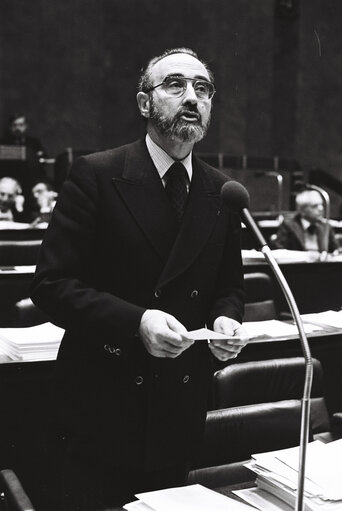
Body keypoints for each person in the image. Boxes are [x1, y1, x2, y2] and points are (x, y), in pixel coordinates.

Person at [30, 47, 248, 510]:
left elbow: (229, 286)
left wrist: (226, 321)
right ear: (145, 103)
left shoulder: (221, 190)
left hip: (179, 406)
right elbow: (51, 285)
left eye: (202, 88)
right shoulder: (97, 174)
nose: (192, 97)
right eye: (175, 85)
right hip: (102, 405)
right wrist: (136, 322)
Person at [273, 189, 340, 253]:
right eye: (315, 206)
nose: (321, 208)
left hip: (322, 264)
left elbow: (335, 250)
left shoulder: (326, 226)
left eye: (321, 205)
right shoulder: (288, 225)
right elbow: (279, 250)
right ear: (302, 211)